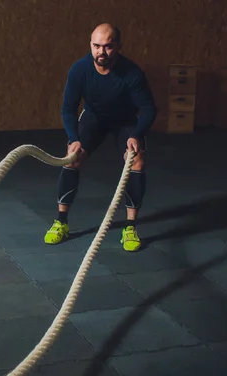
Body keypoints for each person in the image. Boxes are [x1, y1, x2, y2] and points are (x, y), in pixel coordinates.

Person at [43, 23, 157, 252]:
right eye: (96, 46)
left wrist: (136, 135)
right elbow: (68, 108)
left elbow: (148, 108)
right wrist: (73, 137)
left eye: (108, 47)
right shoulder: (79, 70)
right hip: (94, 118)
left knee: (137, 161)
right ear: (90, 45)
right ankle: (61, 223)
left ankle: (130, 228)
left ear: (118, 47)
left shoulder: (131, 73)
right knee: (72, 157)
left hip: (125, 121)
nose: (101, 52)